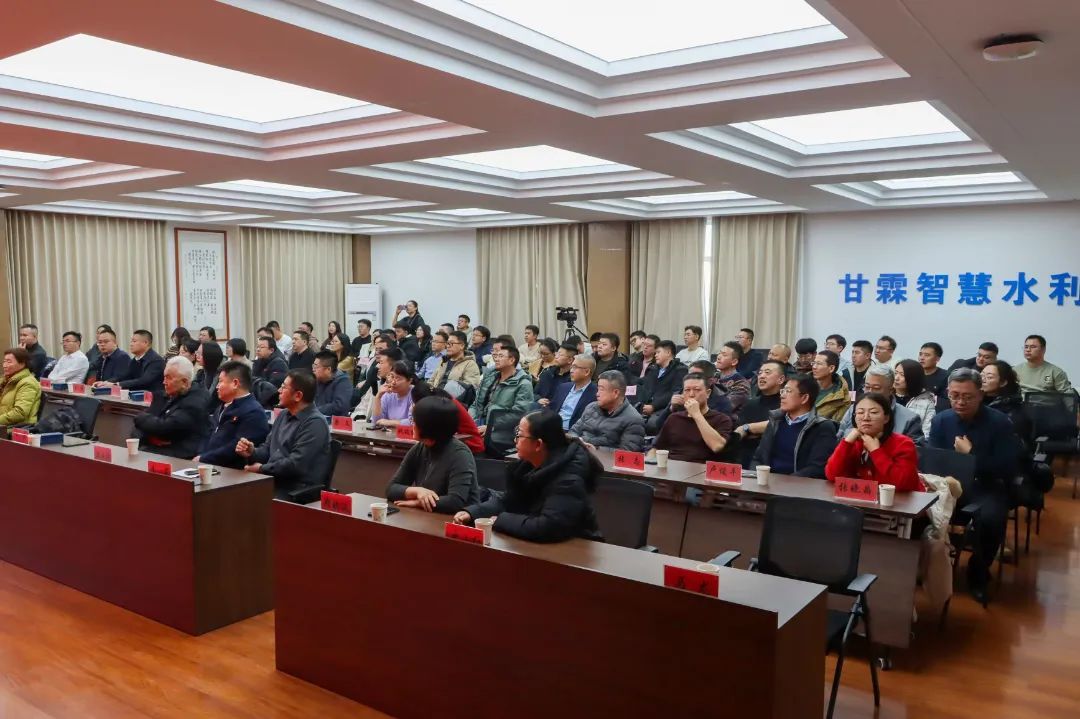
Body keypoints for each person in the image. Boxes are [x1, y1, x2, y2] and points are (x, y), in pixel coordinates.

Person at [929, 368, 1019, 602]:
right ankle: (927, 568)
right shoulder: (941, 420)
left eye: (967, 397)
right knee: (920, 509)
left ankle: (978, 572)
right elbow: (934, 460)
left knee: (990, 519)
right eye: (954, 395)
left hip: (986, 486)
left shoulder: (1000, 423)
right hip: (948, 486)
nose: (960, 402)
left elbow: (1007, 467)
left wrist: (971, 455)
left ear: (980, 395)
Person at [454, 410, 602, 543]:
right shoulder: (528, 464)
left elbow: (549, 527)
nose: (515, 440)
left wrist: (500, 520)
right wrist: (473, 512)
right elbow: (508, 500)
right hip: (536, 540)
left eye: (519, 435)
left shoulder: (569, 478)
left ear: (538, 444)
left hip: (574, 547)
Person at [236, 369, 331, 499]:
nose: (279, 391)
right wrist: (252, 452)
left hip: (295, 489)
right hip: (272, 480)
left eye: (283, 387)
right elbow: (268, 449)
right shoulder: (283, 415)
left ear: (298, 396)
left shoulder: (315, 423)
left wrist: (262, 469)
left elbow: (295, 465)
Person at [385, 396, 481, 514]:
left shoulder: (460, 454)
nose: (412, 424)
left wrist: (418, 503)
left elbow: (455, 502)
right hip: (428, 517)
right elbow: (391, 489)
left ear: (429, 427)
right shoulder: (419, 448)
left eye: (416, 421)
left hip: (458, 519)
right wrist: (417, 491)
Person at [740, 375, 837, 478]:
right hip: (767, 481)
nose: (782, 396)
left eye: (788, 391)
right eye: (782, 391)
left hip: (797, 484)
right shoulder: (776, 421)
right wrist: (756, 477)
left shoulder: (822, 427)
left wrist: (785, 482)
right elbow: (758, 458)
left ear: (804, 398)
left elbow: (816, 468)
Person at [826, 393, 922, 491]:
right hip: (862, 499)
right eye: (860, 412)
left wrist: (876, 451)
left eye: (873, 412)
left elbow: (902, 484)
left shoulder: (903, 444)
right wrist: (847, 442)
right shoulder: (852, 443)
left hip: (901, 500)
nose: (866, 418)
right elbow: (832, 475)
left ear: (886, 418)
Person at [195, 361, 270, 469]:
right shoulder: (221, 407)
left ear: (235, 383)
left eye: (220, 381)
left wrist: (203, 458)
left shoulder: (253, 412)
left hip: (232, 471)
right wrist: (200, 454)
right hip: (208, 465)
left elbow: (235, 448)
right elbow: (208, 434)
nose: (217, 386)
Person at [131, 357, 209, 459]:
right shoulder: (165, 394)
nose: (164, 382)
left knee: (142, 454)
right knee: (134, 446)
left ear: (184, 382)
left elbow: (165, 427)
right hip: (158, 446)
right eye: (164, 377)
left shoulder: (196, 401)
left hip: (182, 453)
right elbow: (143, 425)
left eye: (169, 378)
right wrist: (149, 436)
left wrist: (140, 418)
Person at [651, 373, 733, 462]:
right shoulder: (674, 418)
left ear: (708, 393)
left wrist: (697, 414)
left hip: (702, 467)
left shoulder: (721, 419)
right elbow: (656, 448)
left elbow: (717, 446)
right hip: (674, 465)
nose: (691, 394)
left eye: (697, 390)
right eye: (687, 390)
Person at [836, 364, 925, 444]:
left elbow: (916, 453)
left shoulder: (909, 419)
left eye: (876, 388)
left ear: (891, 390)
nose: (870, 392)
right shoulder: (853, 409)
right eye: (867, 387)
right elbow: (838, 439)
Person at [569, 370, 645, 452]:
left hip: (601, 458)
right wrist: (578, 441)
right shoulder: (591, 407)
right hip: (578, 452)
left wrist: (596, 450)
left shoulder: (633, 419)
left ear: (616, 393)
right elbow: (573, 432)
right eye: (598, 389)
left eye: (601, 389)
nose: (597, 394)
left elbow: (627, 453)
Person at [734, 360, 786, 466]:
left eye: (767, 372)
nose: (761, 376)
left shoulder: (786, 403)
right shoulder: (750, 403)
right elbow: (739, 431)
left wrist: (748, 428)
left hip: (773, 459)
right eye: (760, 373)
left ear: (781, 379)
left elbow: (781, 426)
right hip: (745, 458)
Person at [470, 346, 535, 428]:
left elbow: (519, 414)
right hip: (479, 422)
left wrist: (491, 427)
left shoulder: (523, 384)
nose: (496, 359)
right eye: (496, 356)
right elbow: (475, 404)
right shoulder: (489, 378)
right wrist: (471, 420)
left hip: (500, 428)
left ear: (512, 360)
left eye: (501, 356)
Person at [97, 330, 165, 395]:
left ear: (145, 343)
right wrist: (106, 383)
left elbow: (144, 381)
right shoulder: (135, 360)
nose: (131, 344)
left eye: (134, 341)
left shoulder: (156, 360)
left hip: (154, 398)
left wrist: (116, 385)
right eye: (131, 341)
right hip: (137, 397)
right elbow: (125, 376)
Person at [981, 360, 1031, 442]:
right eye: (981, 375)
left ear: (1003, 382)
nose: (982, 380)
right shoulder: (976, 400)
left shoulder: (1012, 410)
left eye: (989, 377)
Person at [637, 340, 687, 420]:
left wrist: (654, 406)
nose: (655, 355)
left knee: (651, 423)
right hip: (645, 408)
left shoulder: (680, 370)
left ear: (668, 353)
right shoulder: (653, 369)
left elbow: (675, 393)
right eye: (655, 353)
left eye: (658, 352)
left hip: (664, 410)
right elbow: (644, 387)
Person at [551, 355, 597, 430]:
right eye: (571, 367)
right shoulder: (563, 387)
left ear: (587, 372)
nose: (571, 370)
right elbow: (551, 409)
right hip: (552, 427)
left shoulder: (596, 393)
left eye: (575, 367)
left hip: (572, 431)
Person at [0, 347, 42, 430]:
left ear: (22, 363)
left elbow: (20, 413)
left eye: (9, 362)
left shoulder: (28, 383)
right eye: (4, 361)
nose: (4, 365)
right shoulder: (5, 380)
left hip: (15, 428)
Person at [894, 359, 937, 437]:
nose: (896, 378)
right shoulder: (887, 397)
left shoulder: (926, 402)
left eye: (902, 375)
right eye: (895, 373)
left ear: (913, 378)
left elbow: (926, 433)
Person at [371, 360, 416, 428]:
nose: (393, 382)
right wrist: (378, 397)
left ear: (410, 381)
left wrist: (389, 422)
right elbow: (376, 422)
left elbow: (414, 422)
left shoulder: (416, 394)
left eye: (398, 378)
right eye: (392, 376)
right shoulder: (388, 394)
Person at [811, 350, 850, 422]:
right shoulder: (802, 385)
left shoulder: (842, 398)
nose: (814, 367)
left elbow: (835, 424)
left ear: (831, 368)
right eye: (813, 363)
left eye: (819, 364)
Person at [313, 350, 354, 417]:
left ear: (328, 369)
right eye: (313, 366)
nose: (313, 369)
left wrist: (315, 411)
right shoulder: (318, 379)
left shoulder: (343, 381)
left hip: (334, 421)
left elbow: (339, 406)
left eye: (316, 367)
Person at [713, 341, 751, 413]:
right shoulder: (713, 377)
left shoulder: (741, 384)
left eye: (724, 355)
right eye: (719, 353)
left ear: (734, 362)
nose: (718, 357)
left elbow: (725, 407)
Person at [195, 341, 224, 415]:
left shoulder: (222, 375)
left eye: (200, 354)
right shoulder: (200, 373)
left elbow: (209, 398)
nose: (197, 355)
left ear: (210, 356)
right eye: (197, 352)